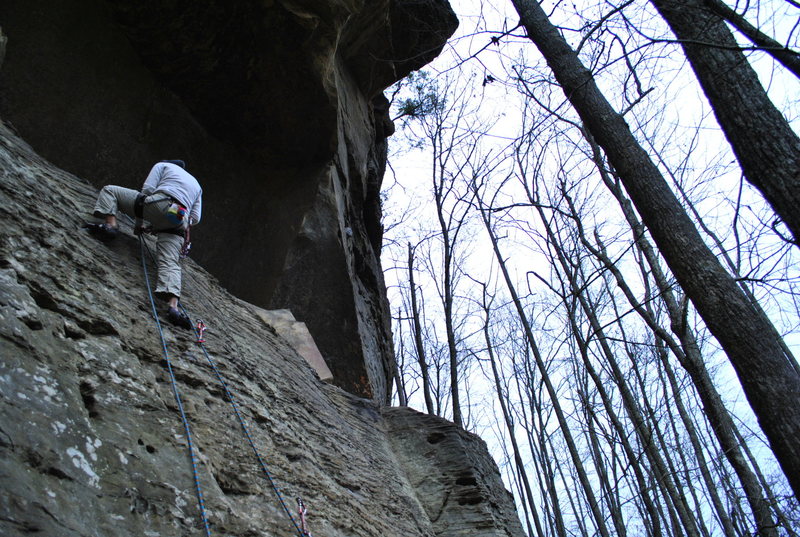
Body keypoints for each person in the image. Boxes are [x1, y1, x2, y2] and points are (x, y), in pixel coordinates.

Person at [86, 160, 202, 329]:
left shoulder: (163, 165)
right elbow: (195, 218)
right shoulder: (197, 185)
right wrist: (163, 224)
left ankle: (110, 225)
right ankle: (173, 306)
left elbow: (147, 190)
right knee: (171, 262)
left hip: (160, 202)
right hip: (179, 218)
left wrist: (139, 223)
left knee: (111, 191)